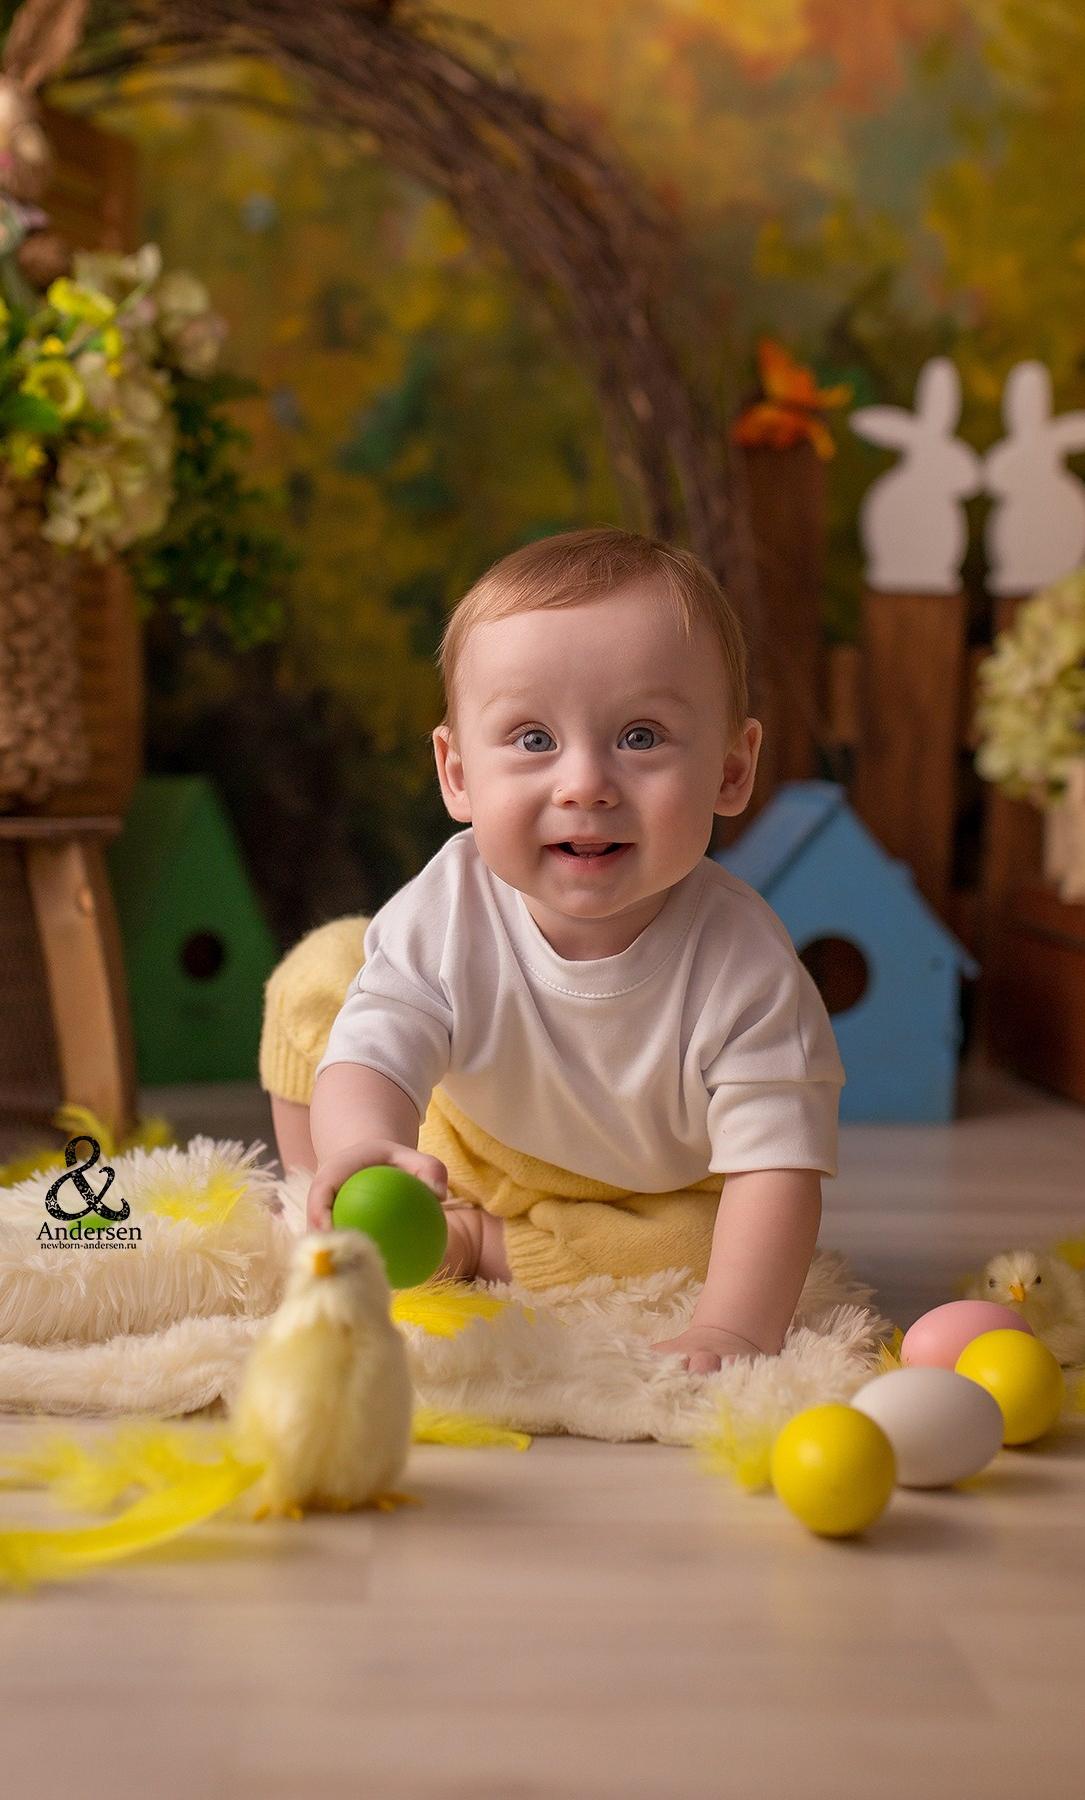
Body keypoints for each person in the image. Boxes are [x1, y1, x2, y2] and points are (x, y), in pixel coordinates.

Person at [260, 527, 844, 1372]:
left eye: (640, 737)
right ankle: (328, 1199)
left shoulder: (746, 971)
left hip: (639, 1193)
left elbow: (777, 1168)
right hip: (456, 1146)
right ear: (457, 774)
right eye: (534, 739)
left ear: (729, 768)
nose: (584, 784)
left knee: (712, 1241)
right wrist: (365, 1146)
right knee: (322, 980)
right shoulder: (450, 905)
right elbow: (380, 1050)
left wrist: (733, 1330)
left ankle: (484, 1245)